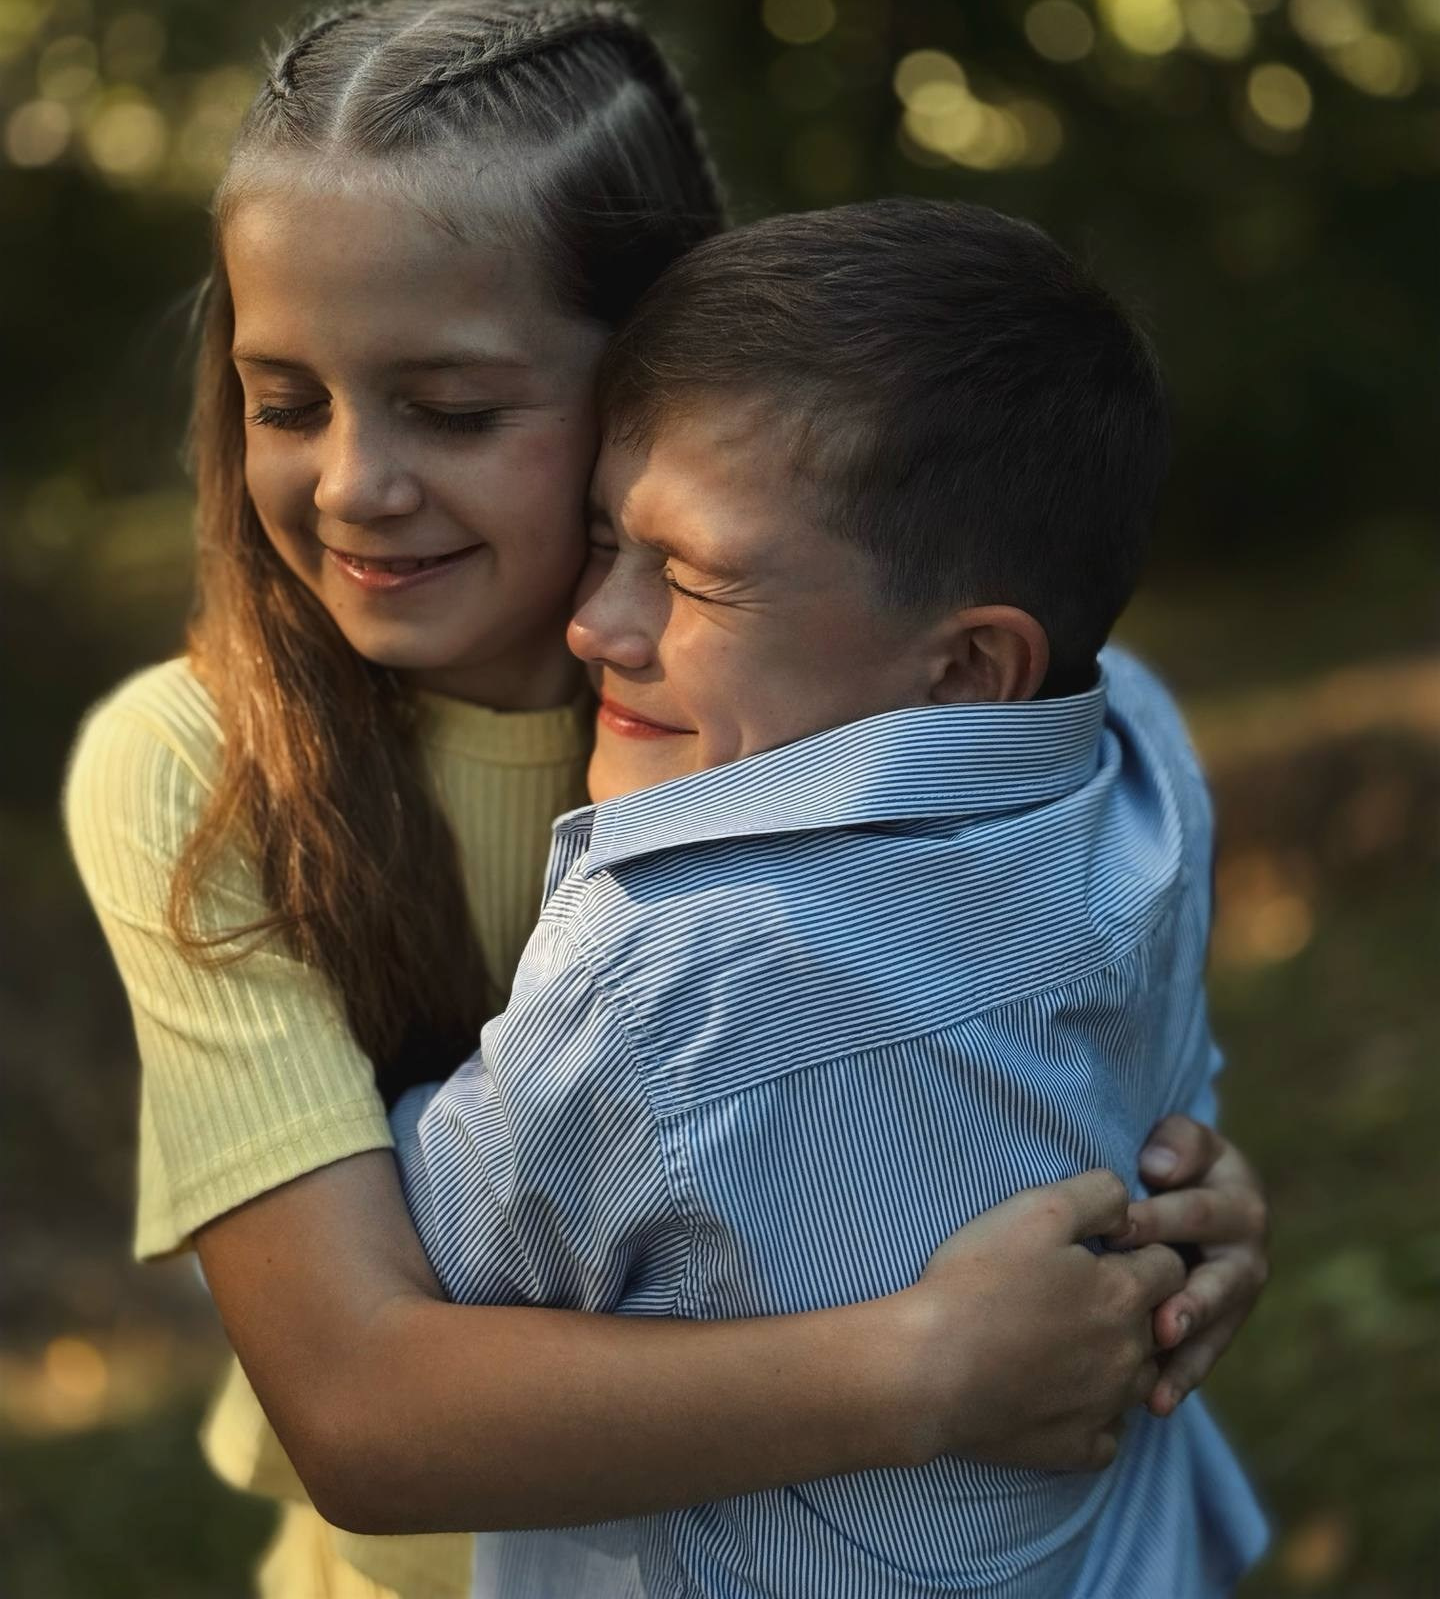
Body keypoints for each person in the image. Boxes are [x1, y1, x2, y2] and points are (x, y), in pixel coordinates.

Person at [64, 0, 1269, 1599]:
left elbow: (1051, 1035)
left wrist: (1176, 1228)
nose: (354, 480)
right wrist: (926, 1369)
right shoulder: (204, 768)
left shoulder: (808, 687)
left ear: (656, 365)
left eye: (459, 409)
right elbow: (357, 1408)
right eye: (287, 401)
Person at [393, 200, 1270, 1596]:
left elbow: (426, 1271)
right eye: (607, 539)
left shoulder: (665, 967)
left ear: (968, 669)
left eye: (689, 576)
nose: (595, 623)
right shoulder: (1142, 748)